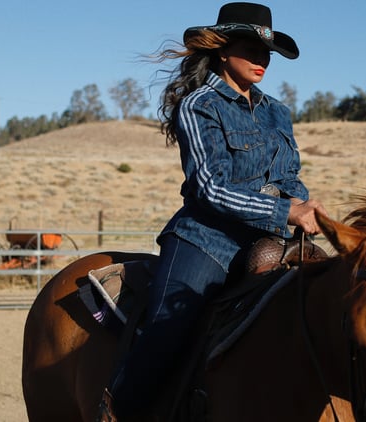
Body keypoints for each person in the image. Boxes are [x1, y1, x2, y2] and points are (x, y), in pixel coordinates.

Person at [102, 2, 326, 419]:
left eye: (267, 54)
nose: (262, 60)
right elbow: (209, 188)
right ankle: (117, 411)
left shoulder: (278, 110)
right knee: (167, 332)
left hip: (270, 240)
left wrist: (303, 204)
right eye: (251, 49)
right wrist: (284, 214)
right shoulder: (200, 105)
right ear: (223, 51)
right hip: (208, 241)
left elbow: (289, 175)